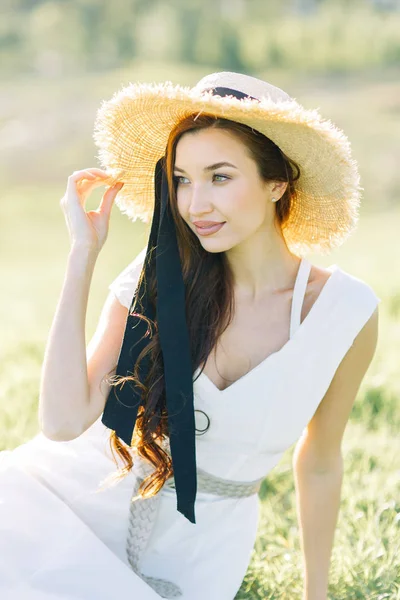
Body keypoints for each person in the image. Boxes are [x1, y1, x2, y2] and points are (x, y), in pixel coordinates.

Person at [0, 71, 381, 600]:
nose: (194, 204)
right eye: (181, 179)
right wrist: (82, 255)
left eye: (219, 177)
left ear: (278, 182)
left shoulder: (344, 311)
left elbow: (319, 461)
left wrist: (316, 593)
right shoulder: (158, 275)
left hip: (201, 552)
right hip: (65, 504)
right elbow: (63, 423)